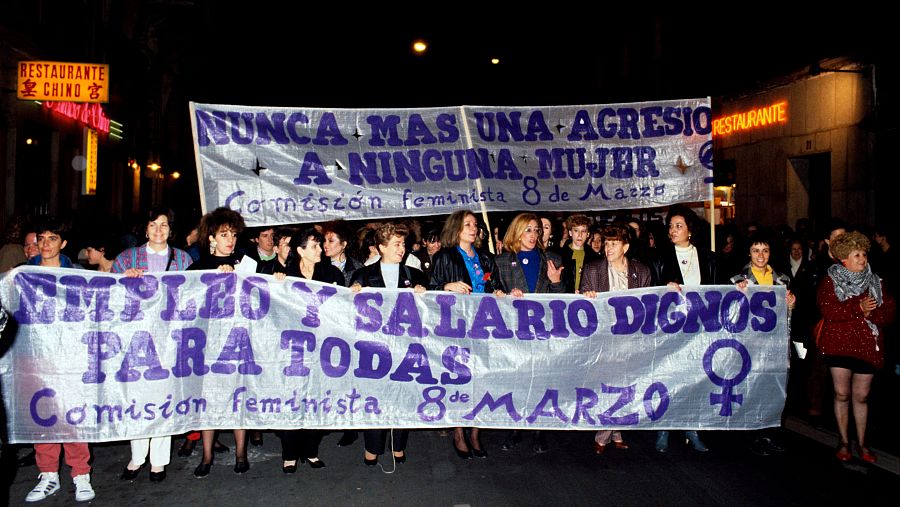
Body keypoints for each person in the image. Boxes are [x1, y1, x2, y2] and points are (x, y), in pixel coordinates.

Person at [111, 207, 192, 482]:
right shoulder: (126, 258)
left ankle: (158, 461)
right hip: (135, 337)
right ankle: (137, 456)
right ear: (145, 229)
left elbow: (192, 295)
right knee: (137, 395)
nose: (158, 230)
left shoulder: (182, 259)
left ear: (171, 229)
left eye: (164, 225)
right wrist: (123, 279)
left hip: (168, 338)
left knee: (163, 396)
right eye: (153, 225)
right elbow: (109, 292)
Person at [24, 217, 94, 502]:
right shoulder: (24, 274)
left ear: (63, 243)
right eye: (41, 239)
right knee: (42, 416)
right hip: (36, 356)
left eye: (52, 238)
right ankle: (48, 475)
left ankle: (81, 474)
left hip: (70, 357)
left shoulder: (77, 275)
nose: (45, 244)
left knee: (72, 415)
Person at [349, 223, 427, 466]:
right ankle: (372, 447)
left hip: (404, 346)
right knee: (375, 396)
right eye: (396, 244)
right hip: (374, 347)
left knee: (402, 394)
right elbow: (348, 312)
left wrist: (425, 295)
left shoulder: (414, 276)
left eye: (403, 244)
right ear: (382, 247)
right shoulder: (363, 276)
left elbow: (431, 310)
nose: (402, 249)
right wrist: (351, 294)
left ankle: (398, 444)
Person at [429, 210, 503, 459]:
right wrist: (446, 286)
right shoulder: (445, 256)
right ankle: (459, 431)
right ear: (456, 229)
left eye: (475, 224)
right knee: (459, 377)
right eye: (467, 224)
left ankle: (476, 431)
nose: (473, 228)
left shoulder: (485, 257)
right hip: (456, 326)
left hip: (483, 326)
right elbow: (429, 290)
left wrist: (500, 293)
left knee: (481, 378)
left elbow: (495, 285)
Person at [817, 231, 895, 463]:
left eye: (863, 254)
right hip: (839, 345)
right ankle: (843, 441)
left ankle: (862, 443)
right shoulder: (830, 280)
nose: (862, 258)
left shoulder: (876, 281)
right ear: (844, 259)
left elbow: (889, 313)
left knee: (861, 396)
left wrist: (872, 313)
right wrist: (858, 308)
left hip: (867, 346)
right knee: (842, 394)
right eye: (857, 255)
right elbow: (828, 310)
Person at [493, 213, 564, 453]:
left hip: (543, 331)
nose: (533, 235)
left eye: (536, 230)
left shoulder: (551, 259)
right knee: (518, 379)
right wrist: (502, 295)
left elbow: (563, 299)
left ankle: (539, 430)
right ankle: (515, 427)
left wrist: (556, 282)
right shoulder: (502, 261)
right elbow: (492, 292)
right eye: (528, 230)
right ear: (517, 232)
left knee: (542, 379)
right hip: (514, 331)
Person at [188, 207, 251, 478]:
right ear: (212, 237)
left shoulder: (246, 265)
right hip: (209, 343)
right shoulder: (198, 268)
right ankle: (207, 456)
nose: (230, 240)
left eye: (233, 235)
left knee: (238, 396)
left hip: (237, 341)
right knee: (209, 399)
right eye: (224, 235)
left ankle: (241, 454)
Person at [580, 225, 652, 454]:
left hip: (630, 337)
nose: (608, 248)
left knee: (625, 384)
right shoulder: (593, 269)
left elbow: (647, 304)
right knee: (608, 384)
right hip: (604, 337)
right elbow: (582, 302)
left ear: (626, 247)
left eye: (614, 243)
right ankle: (605, 435)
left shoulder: (641, 271)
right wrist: (587, 297)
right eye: (606, 243)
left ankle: (615, 431)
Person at [278, 228, 345, 473]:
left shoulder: (332, 274)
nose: (320, 250)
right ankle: (289, 453)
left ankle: (311, 449)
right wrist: (277, 285)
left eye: (320, 245)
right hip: (293, 348)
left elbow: (342, 306)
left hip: (322, 345)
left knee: (317, 397)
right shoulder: (285, 275)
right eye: (315, 246)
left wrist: (355, 291)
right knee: (292, 398)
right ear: (300, 250)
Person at [730, 232, 797, 456]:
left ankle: (770, 433)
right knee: (753, 389)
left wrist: (790, 306)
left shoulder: (783, 279)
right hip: (750, 345)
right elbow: (731, 315)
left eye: (765, 250)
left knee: (774, 390)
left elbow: (786, 318)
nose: (761, 255)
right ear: (748, 253)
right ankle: (752, 435)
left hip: (775, 346)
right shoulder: (737, 280)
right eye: (756, 250)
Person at [655, 205, 715, 453]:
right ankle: (664, 428)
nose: (673, 230)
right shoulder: (659, 257)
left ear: (690, 230)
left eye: (678, 226)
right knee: (669, 378)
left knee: (694, 379)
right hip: (671, 329)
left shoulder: (708, 258)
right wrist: (663, 289)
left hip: (700, 329)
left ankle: (692, 427)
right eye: (670, 226)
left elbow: (718, 290)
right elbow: (651, 292)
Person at [561, 214, 600, 294]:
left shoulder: (595, 258)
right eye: (576, 231)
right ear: (570, 233)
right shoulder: (560, 255)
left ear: (588, 234)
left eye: (583, 231)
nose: (580, 235)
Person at [322, 221, 364, 286]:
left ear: (343, 244)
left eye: (331, 241)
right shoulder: (318, 266)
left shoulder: (358, 268)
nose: (325, 245)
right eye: (324, 241)